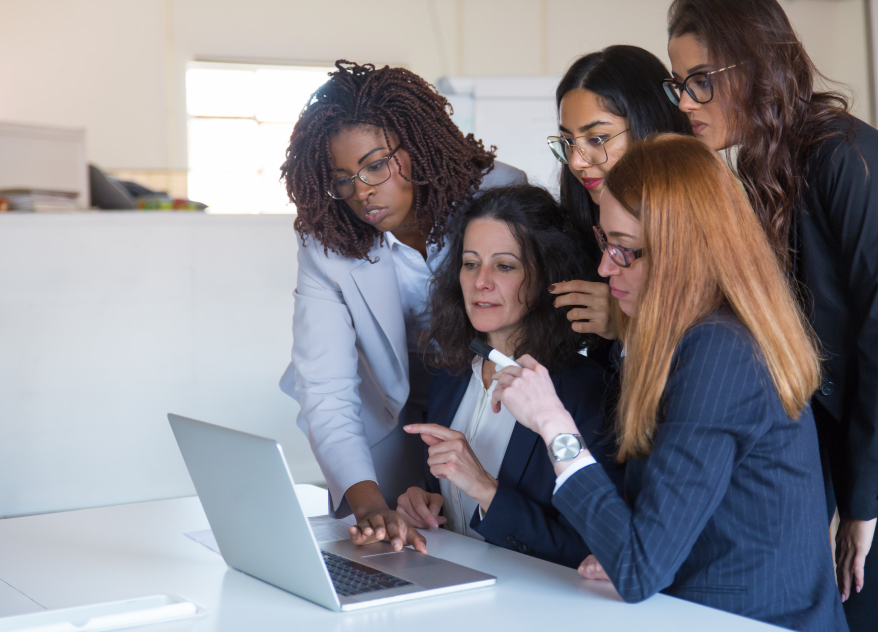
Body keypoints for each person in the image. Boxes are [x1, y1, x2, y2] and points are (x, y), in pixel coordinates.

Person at [665, 0, 878, 632]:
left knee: (865, 608)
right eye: (678, 83)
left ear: (755, 67)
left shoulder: (843, 158)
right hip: (873, 418)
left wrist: (862, 505)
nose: (685, 102)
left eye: (700, 81)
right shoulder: (771, 165)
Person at [491, 135, 847, 632]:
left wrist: (554, 424)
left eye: (626, 251)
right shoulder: (690, 339)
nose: (603, 267)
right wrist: (626, 551)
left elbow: (639, 569)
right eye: (605, 241)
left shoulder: (718, 353)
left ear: (684, 252)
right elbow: (653, 538)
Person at [278, 60, 524, 554]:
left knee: (485, 535)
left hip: (486, 394)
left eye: (375, 165)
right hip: (390, 408)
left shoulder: (498, 192)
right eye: (342, 178)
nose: (361, 191)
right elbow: (325, 383)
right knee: (389, 545)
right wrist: (367, 502)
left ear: (417, 143)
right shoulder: (328, 239)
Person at [396, 185, 620, 568]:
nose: (481, 281)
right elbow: (444, 492)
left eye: (504, 265)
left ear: (546, 275)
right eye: (470, 263)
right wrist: (424, 499)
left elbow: (591, 550)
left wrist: (485, 489)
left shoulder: (588, 390)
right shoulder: (449, 372)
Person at [546, 46, 691, 363]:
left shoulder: (699, 230)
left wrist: (626, 324)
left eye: (597, 139)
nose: (576, 162)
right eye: (568, 142)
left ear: (648, 127)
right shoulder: (574, 224)